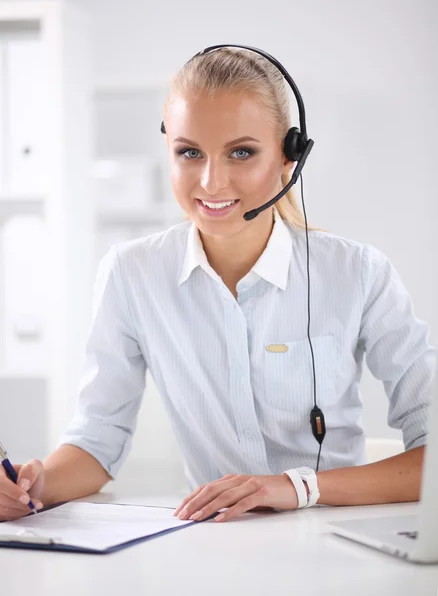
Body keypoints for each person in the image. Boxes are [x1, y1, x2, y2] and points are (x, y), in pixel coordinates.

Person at [0, 47, 436, 524]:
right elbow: (96, 442)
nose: (210, 181)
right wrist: (29, 485)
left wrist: (297, 486)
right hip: (210, 544)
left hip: (335, 539)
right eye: (190, 153)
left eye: (241, 152)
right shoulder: (132, 273)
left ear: (291, 159)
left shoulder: (358, 273)